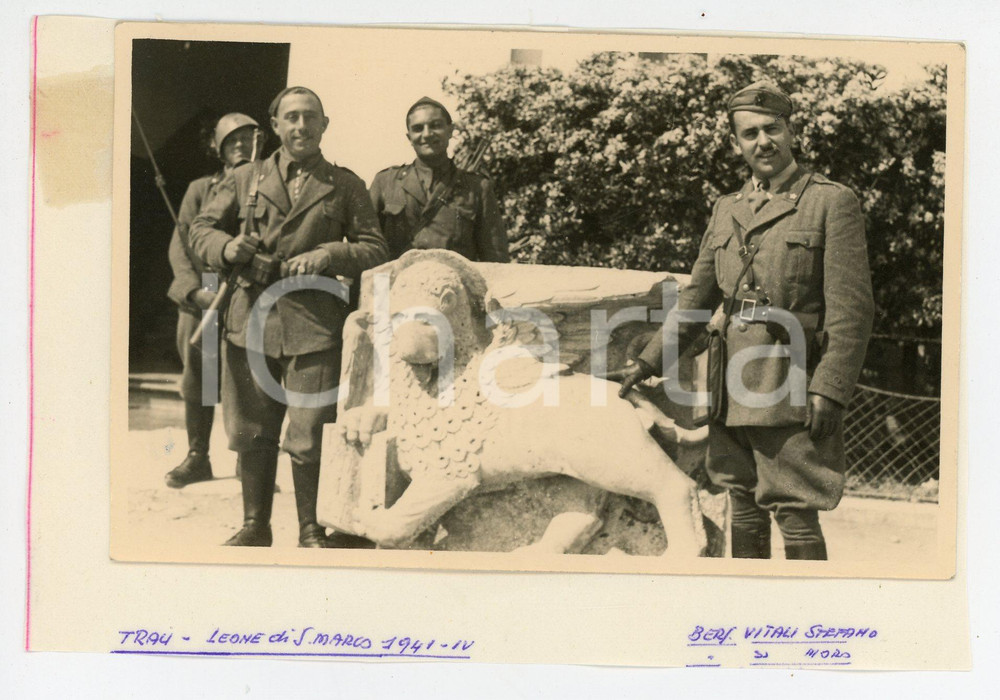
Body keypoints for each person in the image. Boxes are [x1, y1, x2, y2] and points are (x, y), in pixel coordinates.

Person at [618, 81, 874, 561]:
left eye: (772, 128)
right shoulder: (726, 209)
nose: (763, 142)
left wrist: (830, 388)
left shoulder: (829, 202)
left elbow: (853, 311)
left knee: (795, 508)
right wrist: (649, 361)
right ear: (737, 143)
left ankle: (805, 618)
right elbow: (696, 298)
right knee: (741, 501)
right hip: (729, 381)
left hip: (790, 378)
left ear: (791, 131)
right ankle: (748, 606)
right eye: (749, 133)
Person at [189, 87, 388, 547]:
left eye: (310, 117)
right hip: (250, 322)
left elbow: (375, 247)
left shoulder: (345, 185)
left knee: (309, 434)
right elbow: (201, 229)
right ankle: (255, 526)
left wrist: (329, 253)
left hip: (314, 325)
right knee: (252, 431)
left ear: (325, 125)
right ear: (275, 125)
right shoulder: (245, 178)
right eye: (291, 118)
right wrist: (225, 247)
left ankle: (310, 529)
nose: (301, 126)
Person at [164, 112, 262, 488]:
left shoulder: (270, 184)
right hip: (206, 293)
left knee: (249, 380)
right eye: (231, 140)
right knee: (200, 380)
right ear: (217, 149)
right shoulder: (200, 189)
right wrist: (194, 292)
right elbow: (181, 245)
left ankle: (250, 462)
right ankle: (197, 456)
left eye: (247, 138)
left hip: (251, 296)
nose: (240, 145)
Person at [369, 96, 509, 262]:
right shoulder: (386, 183)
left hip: (453, 285)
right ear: (409, 138)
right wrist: (381, 289)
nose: (427, 134)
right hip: (398, 285)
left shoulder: (477, 187)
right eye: (418, 128)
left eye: (435, 126)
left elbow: (495, 258)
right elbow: (371, 253)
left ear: (450, 131)